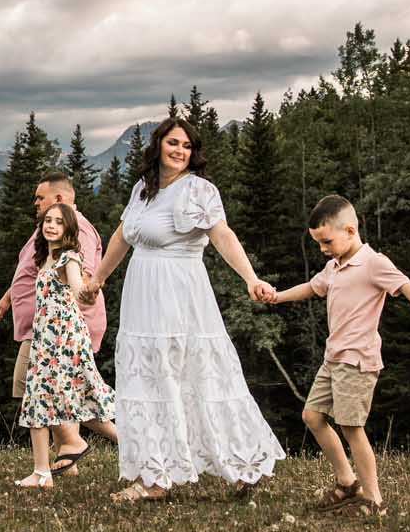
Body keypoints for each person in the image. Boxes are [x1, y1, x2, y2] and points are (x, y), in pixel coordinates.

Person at [81, 118, 285, 503]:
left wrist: (250, 278)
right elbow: (122, 237)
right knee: (149, 378)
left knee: (196, 375)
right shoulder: (144, 188)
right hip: (142, 294)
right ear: (158, 145)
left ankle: (243, 462)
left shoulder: (199, 190)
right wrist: (97, 281)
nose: (179, 150)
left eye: (187, 146)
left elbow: (222, 235)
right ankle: (156, 474)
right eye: (173, 143)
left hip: (180, 294)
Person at [261, 195, 410, 518]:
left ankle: (374, 499)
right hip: (333, 358)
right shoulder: (333, 267)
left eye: (327, 242)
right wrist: (277, 297)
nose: (323, 249)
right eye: (318, 243)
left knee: (352, 427)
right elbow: (312, 287)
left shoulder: (374, 263)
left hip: (358, 360)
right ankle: (347, 482)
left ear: (350, 231)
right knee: (312, 416)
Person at [0, 171, 115, 474]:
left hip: (57, 330)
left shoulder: (77, 227)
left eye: (40, 197)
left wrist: (85, 290)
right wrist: (9, 298)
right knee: (57, 392)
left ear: (59, 199)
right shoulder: (48, 230)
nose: (36, 202)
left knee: (42, 390)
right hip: (42, 326)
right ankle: (67, 456)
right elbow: (33, 269)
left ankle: (74, 445)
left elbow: (80, 272)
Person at [13, 202, 118, 489]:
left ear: (69, 229)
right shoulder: (45, 257)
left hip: (64, 339)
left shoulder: (68, 257)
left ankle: (136, 446)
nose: (51, 226)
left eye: (58, 222)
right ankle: (41, 472)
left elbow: (76, 287)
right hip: (46, 338)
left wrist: (89, 289)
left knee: (81, 398)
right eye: (48, 220)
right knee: (39, 398)